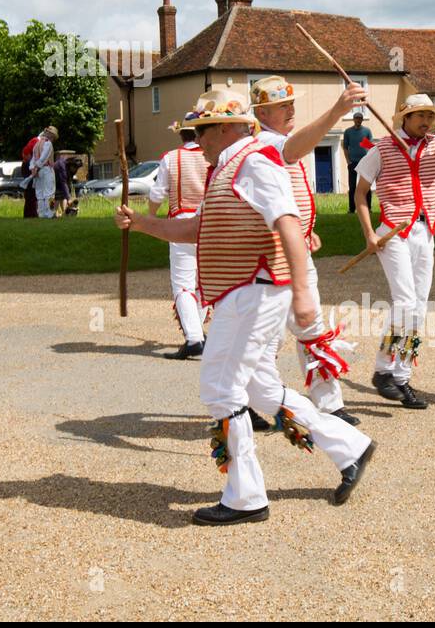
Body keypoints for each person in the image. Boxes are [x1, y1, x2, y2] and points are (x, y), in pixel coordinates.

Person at [117, 87, 375, 525]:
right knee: (263, 391)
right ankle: (349, 446)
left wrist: (304, 294)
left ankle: (245, 497)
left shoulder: (252, 160)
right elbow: (197, 228)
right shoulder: (227, 167)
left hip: (253, 292)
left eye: (201, 131)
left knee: (220, 388)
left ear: (224, 127)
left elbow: (288, 222)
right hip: (244, 293)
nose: (197, 141)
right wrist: (142, 224)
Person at [354, 52, 435, 410]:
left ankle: (402, 376)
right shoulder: (381, 150)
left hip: (426, 231)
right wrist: (369, 234)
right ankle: (382, 371)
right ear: (406, 118)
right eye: (421, 116)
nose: (427, 121)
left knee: (418, 309)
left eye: (429, 116)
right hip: (393, 232)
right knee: (405, 302)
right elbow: (360, 194)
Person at [251, 76, 368, 424]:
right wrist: (337, 110)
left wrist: (306, 228)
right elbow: (293, 151)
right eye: (282, 105)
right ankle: (249, 403)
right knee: (266, 338)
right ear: (261, 112)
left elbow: (287, 196)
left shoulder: (283, 140)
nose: (291, 109)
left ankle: (330, 405)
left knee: (312, 330)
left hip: (294, 250)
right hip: (270, 259)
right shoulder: (264, 144)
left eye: (292, 102)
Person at [146, 123, 210, 359]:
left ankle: (194, 338)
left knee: (183, 283)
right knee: (203, 282)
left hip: (180, 222)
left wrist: (151, 218)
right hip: (209, 222)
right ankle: (197, 331)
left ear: (182, 135)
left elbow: (157, 193)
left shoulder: (172, 158)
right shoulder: (213, 156)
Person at [342, 109, 373, 214]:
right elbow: (345, 147)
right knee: (352, 187)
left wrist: (369, 159)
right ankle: (352, 209)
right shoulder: (348, 132)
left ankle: (368, 208)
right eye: (356, 118)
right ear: (353, 119)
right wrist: (348, 161)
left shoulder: (367, 131)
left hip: (365, 163)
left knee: (367, 186)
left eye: (360, 118)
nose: (358, 120)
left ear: (362, 120)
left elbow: (370, 146)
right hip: (353, 163)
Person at [29, 126, 58, 218]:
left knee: (40, 193)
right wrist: (37, 166)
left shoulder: (37, 144)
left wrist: (33, 168)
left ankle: (41, 214)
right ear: (51, 135)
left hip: (38, 171)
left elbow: (32, 159)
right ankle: (50, 213)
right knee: (49, 192)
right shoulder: (48, 143)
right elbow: (44, 157)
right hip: (46, 170)